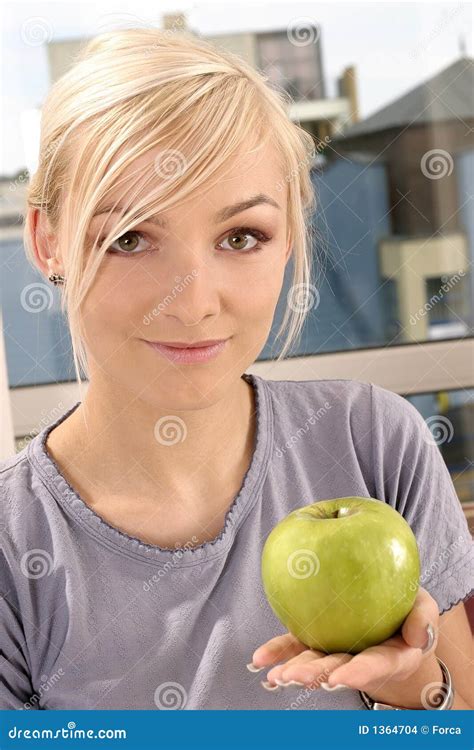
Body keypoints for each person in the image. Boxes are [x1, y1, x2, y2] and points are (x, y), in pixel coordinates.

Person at [0, 28, 472, 711]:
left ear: (289, 241)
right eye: (131, 238)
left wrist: (406, 684)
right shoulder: (16, 546)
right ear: (49, 244)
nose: (193, 302)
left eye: (241, 237)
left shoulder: (374, 443)